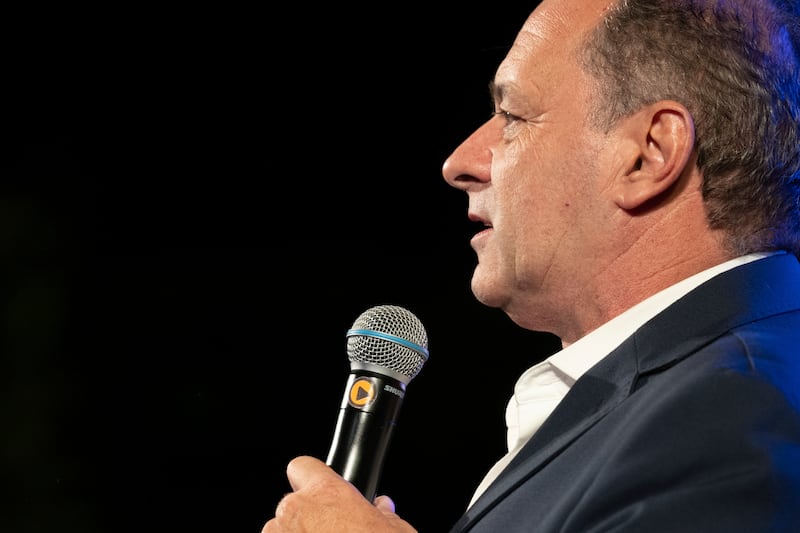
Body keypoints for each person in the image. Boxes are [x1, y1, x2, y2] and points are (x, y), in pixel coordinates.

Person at [262, 0, 800, 531]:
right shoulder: (694, 397)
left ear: (649, 154)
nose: (459, 163)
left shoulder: (733, 419)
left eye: (513, 116)